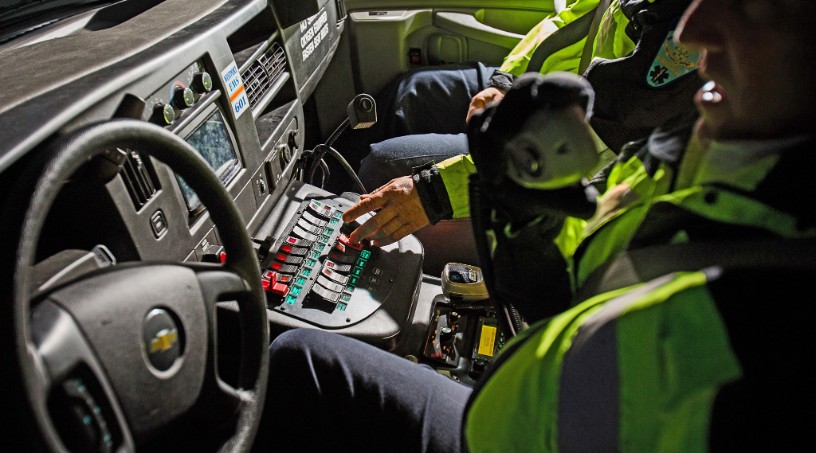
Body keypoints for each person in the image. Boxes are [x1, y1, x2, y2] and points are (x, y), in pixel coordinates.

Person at [259, 0, 816, 451]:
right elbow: (594, 248)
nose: (697, 28)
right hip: (533, 380)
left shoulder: (760, 305)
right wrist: (524, 219)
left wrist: (438, 192)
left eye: (756, 8)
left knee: (301, 360)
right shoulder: (706, 148)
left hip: (513, 426)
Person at [345, 0, 701, 255]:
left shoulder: (691, 29)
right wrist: (506, 82)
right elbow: (566, 20)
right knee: (413, 92)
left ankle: (334, 250)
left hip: (577, 161)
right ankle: (319, 201)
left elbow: (595, 144)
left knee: (386, 165)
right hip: (548, 94)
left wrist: (433, 193)